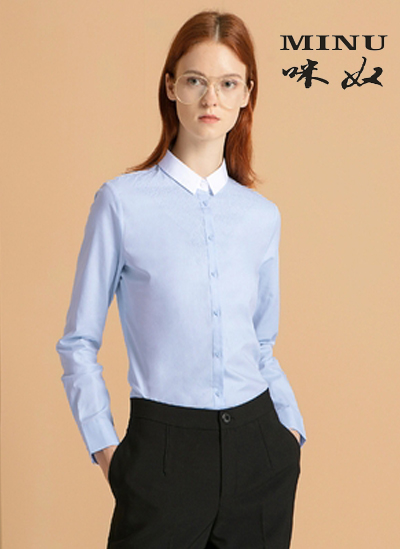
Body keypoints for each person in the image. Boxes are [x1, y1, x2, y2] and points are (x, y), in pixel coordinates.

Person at [56, 9, 306, 549]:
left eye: (228, 83)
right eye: (195, 80)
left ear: (247, 94)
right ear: (171, 86)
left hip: (259, 453)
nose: (210, 98)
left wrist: (290, 434)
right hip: (163, 456)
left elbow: (262, 344)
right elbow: (78, 343)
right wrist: (109, 453)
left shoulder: (261, 217)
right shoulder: (121, 203)